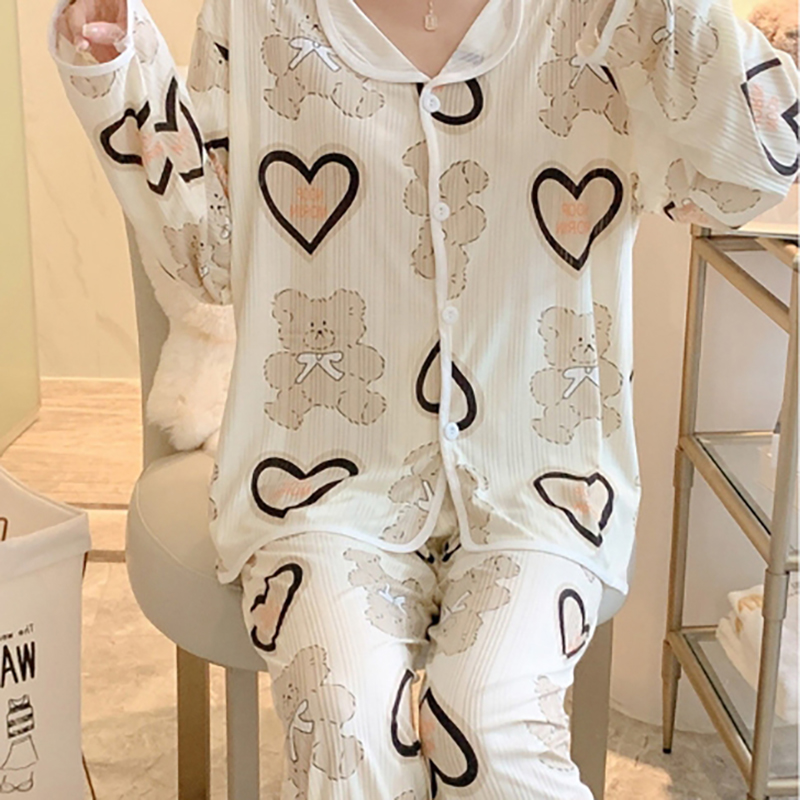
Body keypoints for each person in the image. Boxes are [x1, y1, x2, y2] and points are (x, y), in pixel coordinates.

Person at [49, 0, 797, 795]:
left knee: (493, 723)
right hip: (318, 484)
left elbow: (760, 163)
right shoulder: (257, 14)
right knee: (346, 727)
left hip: (545, 482)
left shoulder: (597, 16)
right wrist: (117, 69)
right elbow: (208, 253)